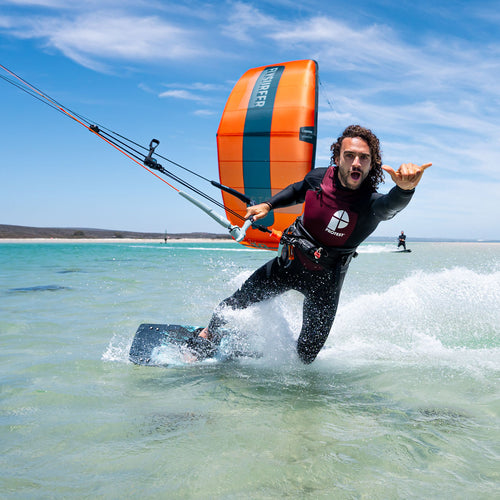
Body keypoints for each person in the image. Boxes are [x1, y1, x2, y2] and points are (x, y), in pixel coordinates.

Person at [196, 125, 431, 364]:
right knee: (234, 305)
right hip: (288, 264)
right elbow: (297, 190)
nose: (356, 163)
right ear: (337, 158)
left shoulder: (372, 204)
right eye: (349, 155)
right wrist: (268, 205)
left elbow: (392, 205)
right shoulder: (319, 178)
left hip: (325, 284)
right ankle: (205, 339)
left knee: (306, 358)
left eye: (364, 157)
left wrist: (405, 189)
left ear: (372, 164)